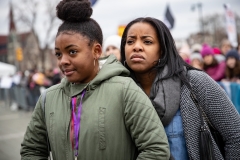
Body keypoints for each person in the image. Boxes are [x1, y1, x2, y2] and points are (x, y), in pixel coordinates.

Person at [20, 1, 170, 160]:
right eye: (58, 54)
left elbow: (156, 150)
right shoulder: (47, 99)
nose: (63, 61)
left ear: (96, 51)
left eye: (72, 51)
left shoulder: (125, 90)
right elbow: (31, 150)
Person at [120, 17, 240, 160]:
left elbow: (235, 136)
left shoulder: (195, 82)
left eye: (147, 41)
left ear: (163, 49)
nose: (137, 47)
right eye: (130, 41)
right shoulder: (118, 91)